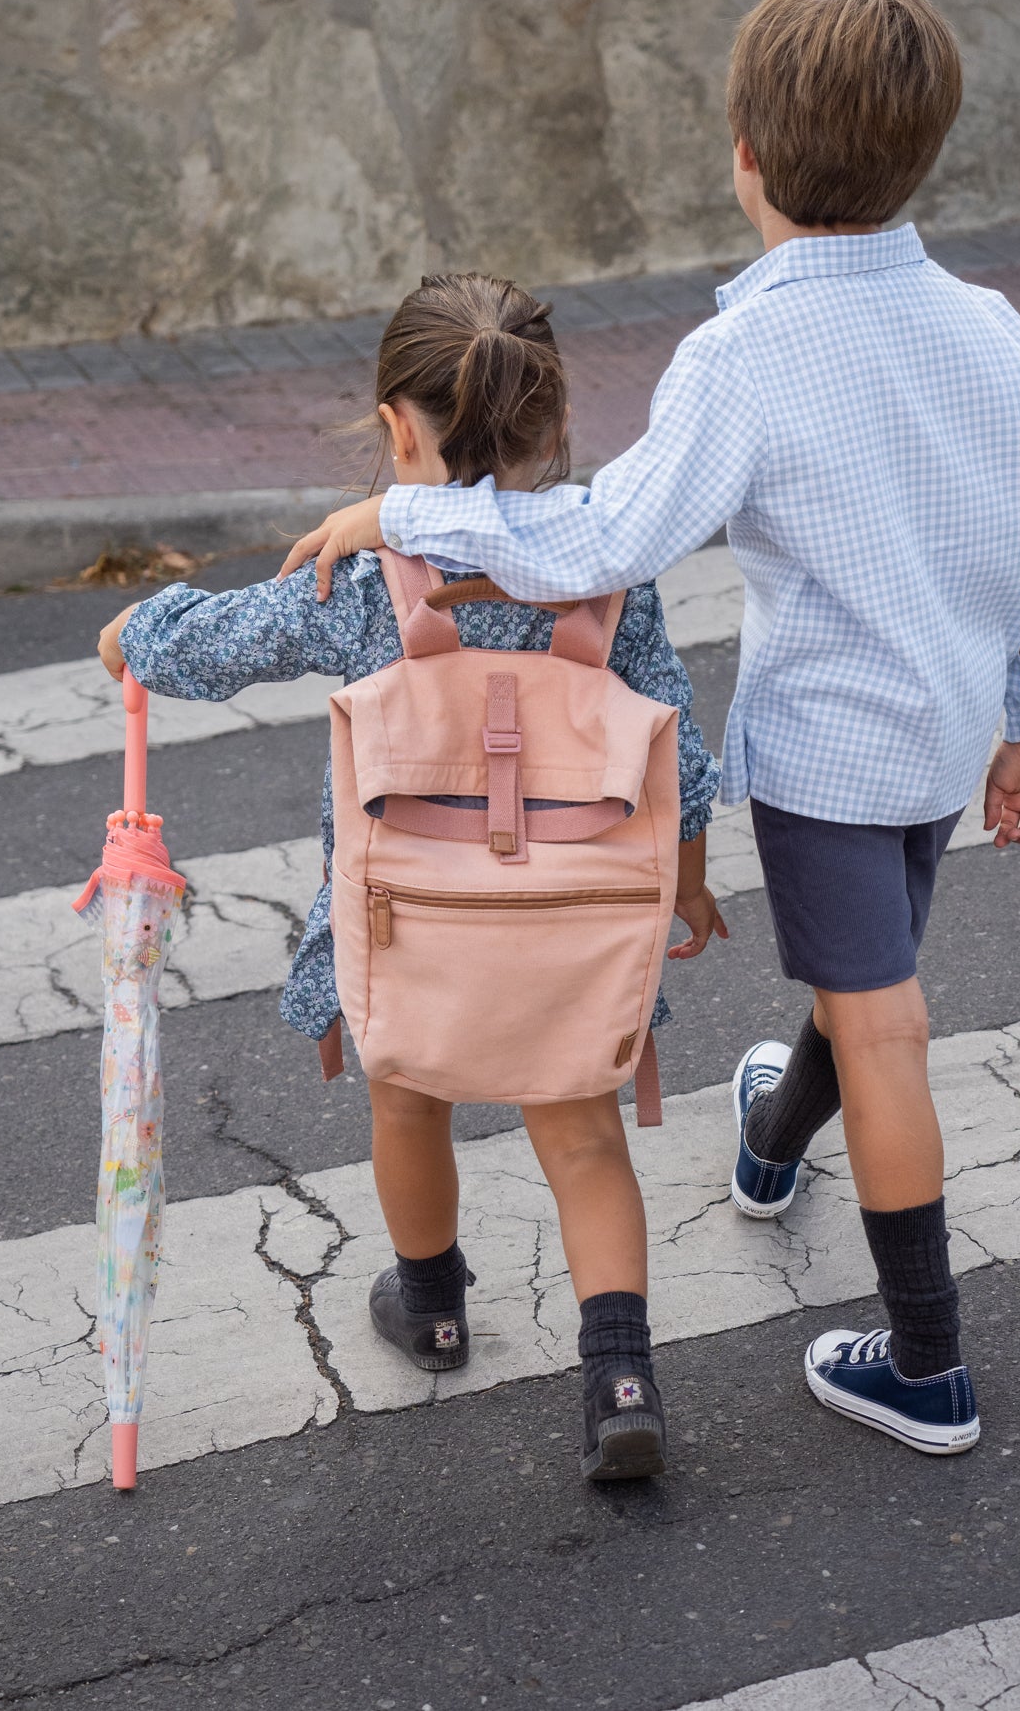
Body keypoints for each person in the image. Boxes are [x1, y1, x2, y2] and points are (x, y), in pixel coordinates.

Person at [280, 0, 1020, 1456]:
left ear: (745, 157)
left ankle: (928, 1367)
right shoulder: (990, 329)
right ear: (927, 149)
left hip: (832, 752)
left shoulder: (744, 357)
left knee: (884, 1022)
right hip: (943, 734)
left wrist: (402, 513)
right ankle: (775, 1138)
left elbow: (600, 543)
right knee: (869, 985)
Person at [97, 273, 726, 1481]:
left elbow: (224, 642)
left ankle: (433, 1301)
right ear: (552, 423)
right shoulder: (607, 574)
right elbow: (681, 757)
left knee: (407, 1096)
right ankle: (622, 1371)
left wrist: (139, 634)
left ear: (396, 428)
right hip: (571, 930)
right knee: (585, 1137)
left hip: (409, 937)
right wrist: (686, 888)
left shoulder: (365, 576)